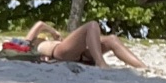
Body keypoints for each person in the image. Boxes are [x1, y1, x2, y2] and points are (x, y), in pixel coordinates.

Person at [8, 20, 148, 69]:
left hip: (76, 54)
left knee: (111, 39)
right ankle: (100, 63)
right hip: (59, 52)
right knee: (92, 25)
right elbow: (40, 24)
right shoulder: (29, 43)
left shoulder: (45, 41)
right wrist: (53, 32)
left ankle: (142, 67)